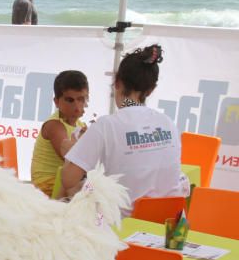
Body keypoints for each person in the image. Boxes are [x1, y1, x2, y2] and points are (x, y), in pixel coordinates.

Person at [62, 44, 189, 214]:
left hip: (119, 228)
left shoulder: (106, 125)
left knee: (72, 194)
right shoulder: (168, 123)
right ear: (151, 90)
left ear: (117, 83)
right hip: (167, 225)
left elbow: (68, 180)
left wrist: (71, 152)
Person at [30, 70, 89, 196]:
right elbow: (72, 160)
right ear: (56, 101)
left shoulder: (80, 125)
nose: (77, 106)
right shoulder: (55, 126)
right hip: (46, 187)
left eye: (81, 99)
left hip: (62, 183)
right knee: (94, 196)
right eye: (70, 100)